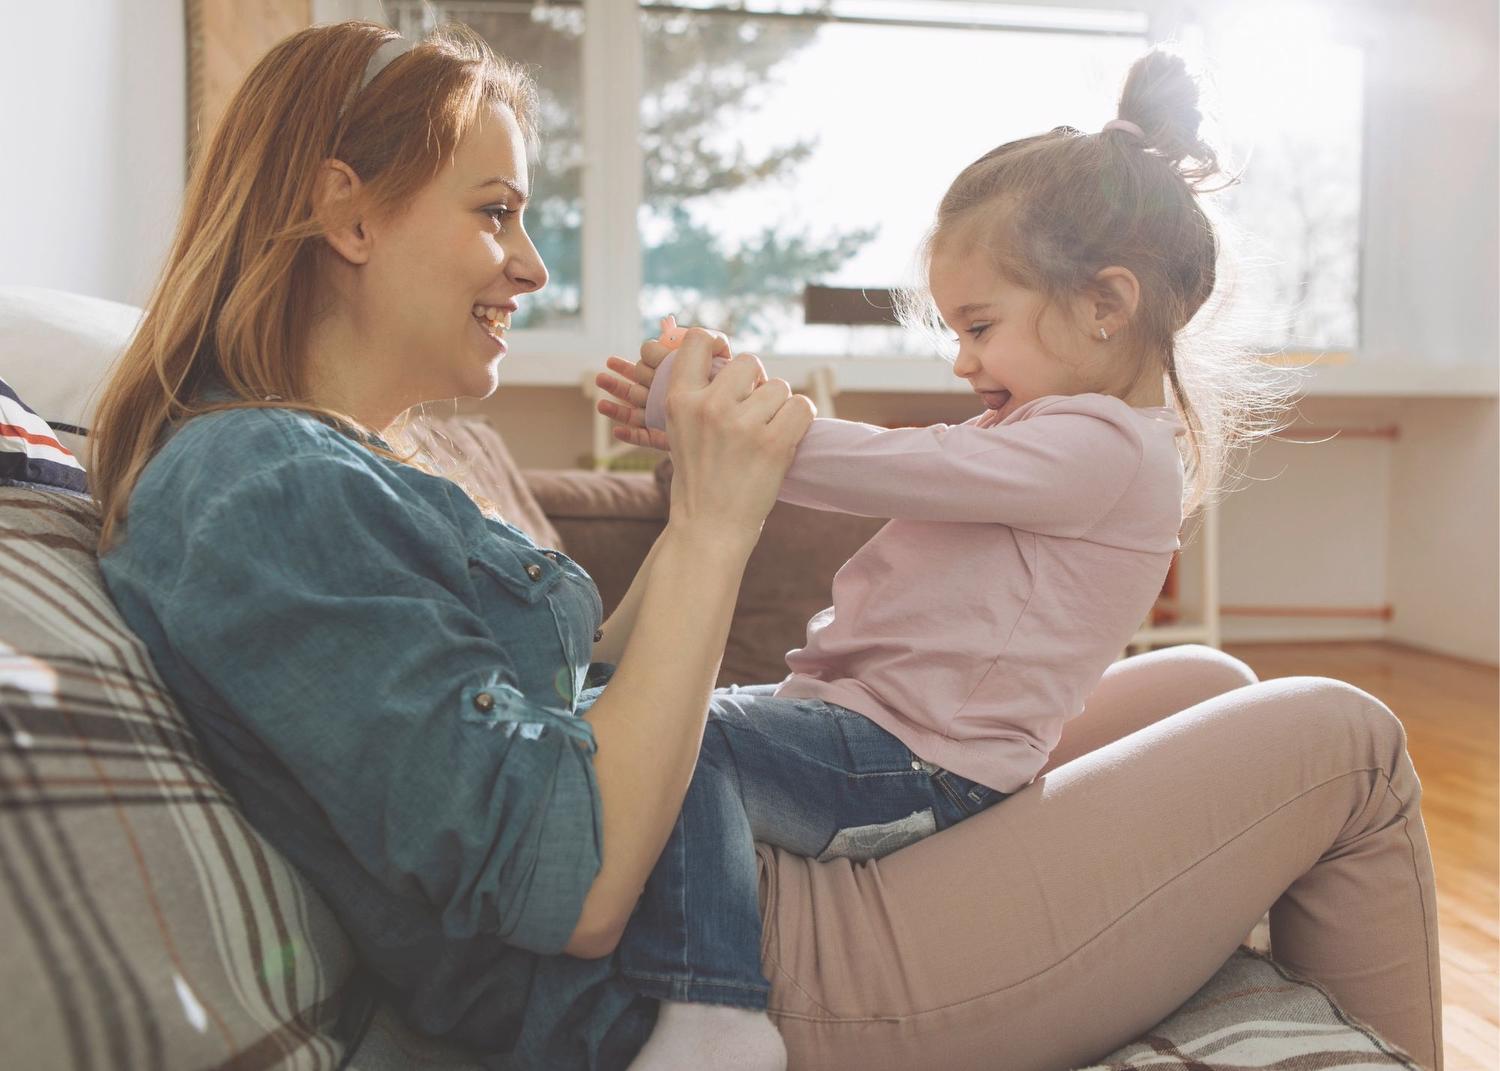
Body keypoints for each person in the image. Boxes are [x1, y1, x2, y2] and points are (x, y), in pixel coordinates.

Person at [88, 20, 1442, 1071]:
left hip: (800, 840)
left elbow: (544, 705)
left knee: (1211, 686)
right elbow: (566, 863)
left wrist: (724, 494)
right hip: (770, 953)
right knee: (1342, 736)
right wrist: (718, 513)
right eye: (495, 211)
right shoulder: (257, 486)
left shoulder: (334, 468)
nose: (534, 268)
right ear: (351, 214)